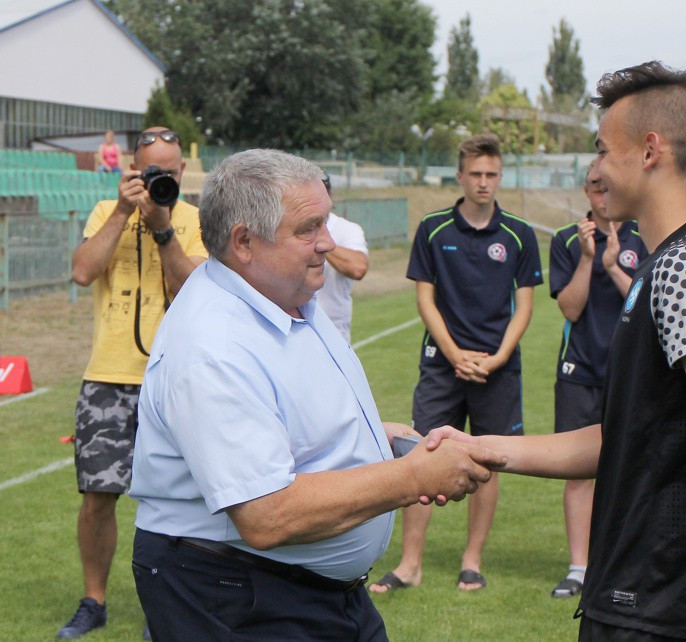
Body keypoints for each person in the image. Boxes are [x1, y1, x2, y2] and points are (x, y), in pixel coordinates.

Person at [429, 61, 686, 640]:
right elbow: (623, 438)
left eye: (604, 151)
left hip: (660, 607)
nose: (595, 170)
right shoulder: (661, 266)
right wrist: (484, 448)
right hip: (628, 597)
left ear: (650, 150)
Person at [127, 149, 504, 641]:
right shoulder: (212, 347)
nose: (327, 243)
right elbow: (267, 513)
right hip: (237, 597)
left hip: (302, 593)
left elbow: (285, 412)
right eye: (309, 228)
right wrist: (412, 475)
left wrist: (371, 439)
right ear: (244, 241)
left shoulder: (279, 289)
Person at [370, 133, 543, 593]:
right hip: (442, 363)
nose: (484, 182)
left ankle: (472, 561)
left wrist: (498, 357)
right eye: (476, 174)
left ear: (499, 176)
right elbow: (424, 298)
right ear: (461, 176)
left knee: (486, 461)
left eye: (492, 174)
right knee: (419, 453)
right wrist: (454, 354)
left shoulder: (520, 234)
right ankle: (410, 565)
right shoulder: (432, 228)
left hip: (497, 367)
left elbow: (524, 306)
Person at [59, 127, 207, 639]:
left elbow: (190, 289)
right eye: (150, 170)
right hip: (109, 375)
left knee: (181, 500)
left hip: (175, 380)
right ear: (132, 169)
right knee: (97, 495)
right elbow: (82, 272)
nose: (160, 177)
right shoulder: (107, 212)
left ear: (183, 171)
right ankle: (93, 600)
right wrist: (125, 213)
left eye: (168, 169)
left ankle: (166, 606)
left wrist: (162, 227)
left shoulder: (197, 220)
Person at [548, 160, 645, 599]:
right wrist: (589, 260)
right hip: (579, 372)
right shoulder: (568, 240)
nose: (602, 193)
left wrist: (613, 266)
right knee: (579, 472)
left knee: (633, 470)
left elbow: (648, 305)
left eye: (609, 185)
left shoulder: (646, 237)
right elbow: (570, 308)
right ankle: (579, 568)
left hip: (634, 374)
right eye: (594, 186)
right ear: (586, 192)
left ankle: (624, 564)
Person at [316, 173, 369, 342]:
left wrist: (316, 235)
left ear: (329, 198)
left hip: (334, 333)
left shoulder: (347, 229)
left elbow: (358, 268)